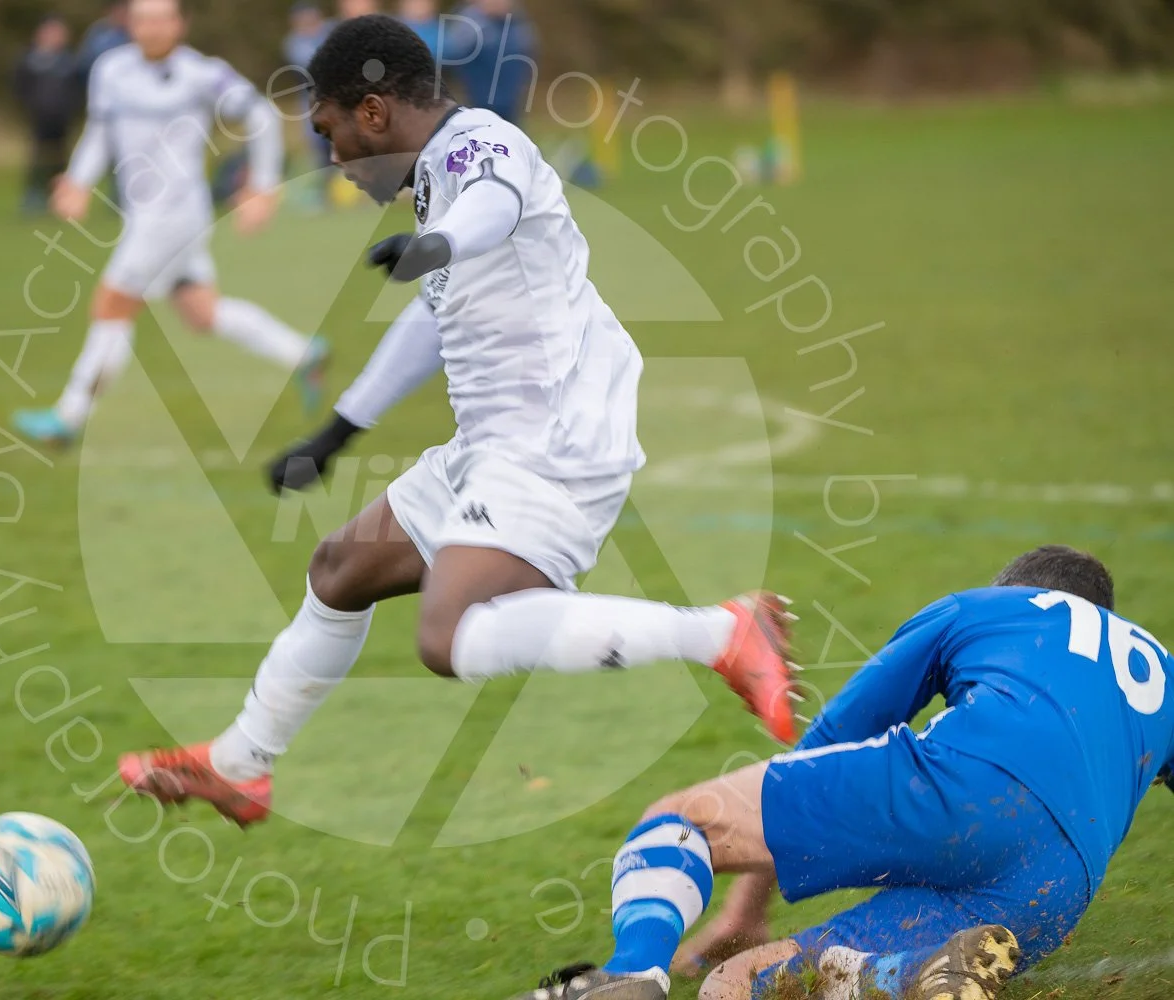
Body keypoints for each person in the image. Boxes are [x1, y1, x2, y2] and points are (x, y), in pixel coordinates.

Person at [117, 15, 798, 826]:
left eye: (332, 132)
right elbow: (434, 322)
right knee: (341, 569)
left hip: (553, 438)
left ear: (374, 114)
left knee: (451, 636)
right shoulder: (437, 177)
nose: (332, 157)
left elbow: (496, 206)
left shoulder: (482, 145)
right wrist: (338, 433)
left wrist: (431, 246)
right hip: (492, 443)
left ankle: (720, 633)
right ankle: (240, 766)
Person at [508, 545, 1174, 1000]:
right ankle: (904, 974)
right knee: (744, 987)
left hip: (962, 787)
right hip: (1056, 888)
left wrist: (746, 908)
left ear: (1016, 590)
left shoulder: (981, 608)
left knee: (683, 821)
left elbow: (837, 736)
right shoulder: (1163, 674)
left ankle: (636, 974)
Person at [12, 0, 329, 445]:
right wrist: (79, 182)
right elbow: (100, 132)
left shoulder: (203, 74)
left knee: (111, 305)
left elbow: (261, 115)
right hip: (143, 214)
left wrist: (263, 185)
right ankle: (304, 354)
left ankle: (69, 417)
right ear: (130, 24)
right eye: (143, 19)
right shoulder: (110, 70)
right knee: (201, 312)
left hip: (175, 213)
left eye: (162, 19)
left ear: (181, 24)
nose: (152, 28)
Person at [14, 16, 80, 215]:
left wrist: (71, 109)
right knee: (38, 158)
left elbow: (77, 90)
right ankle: (34, 198)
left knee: (61, 160)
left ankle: (60, 199)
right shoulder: (30, 61)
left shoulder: (69, 62)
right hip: (39, 120)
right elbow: (19, 88)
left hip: (62, 120)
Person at [440, 0, 536, 125]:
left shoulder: (519, 26)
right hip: (476, 103)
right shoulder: (469, 25)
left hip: (512, 103)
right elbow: (450, 57)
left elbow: (529, 57)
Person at [283, 2, 334, 210]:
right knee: (320, 153)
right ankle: (323, 195)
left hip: (339, 102)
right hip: (312, 105)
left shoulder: (331, 31)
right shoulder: (294, 43)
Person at [77, 0, 132, 85]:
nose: (121, 14)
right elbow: (84, 63)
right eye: (118, 10)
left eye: (125, 10)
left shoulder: (137, 32)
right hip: (102, 82)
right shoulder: (98, 31)